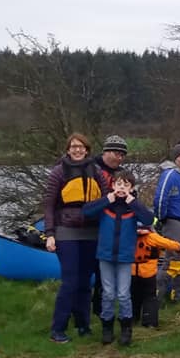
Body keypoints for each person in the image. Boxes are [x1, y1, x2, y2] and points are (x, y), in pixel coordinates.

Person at [43, 132, 109, 343]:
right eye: (73, 147)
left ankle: (83, 324)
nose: (77, 150)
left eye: (81, 147)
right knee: (69, 281)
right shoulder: (58, 172)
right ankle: (58, 329)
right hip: (66, 231)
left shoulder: (96, 171)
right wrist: (50, 234)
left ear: (87, 149)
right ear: (68, 149)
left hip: (91, 233)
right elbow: (49, 206)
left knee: (84, 282)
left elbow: (107, 199)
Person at [82, 169, 153, 346]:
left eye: (126, 185)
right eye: (119, 184)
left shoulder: (133, 206)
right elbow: (87, 211)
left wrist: (133, 201)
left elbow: (148, 219)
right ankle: (107, 327)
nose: (122, 188)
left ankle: (126, 328)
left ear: (131, 188)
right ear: (113, 185)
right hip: (105, 255)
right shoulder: (106, 205)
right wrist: (108, 199)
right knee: (107, 294)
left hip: (125, 257)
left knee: (123, 294)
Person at [153, 141, 180, 304]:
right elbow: (160, 198)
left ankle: (177, 298)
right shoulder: (170, 175)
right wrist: (161, 219)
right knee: (172, 262)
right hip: (174, 223)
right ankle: (156, 298)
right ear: (175, 159)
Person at [91, 134, 128, 314]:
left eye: (122, 155)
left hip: (109, 227)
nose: (119, 157)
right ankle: (93, 310)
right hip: (89, 226)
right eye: (115, 153)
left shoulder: (119, 174)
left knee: (102, 273)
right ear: (105, 151)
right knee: (90, 271)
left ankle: (101, 310)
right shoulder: (92, 168)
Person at [131, 228, 180, 328]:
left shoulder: (128, 234)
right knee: (150, 297)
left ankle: (132, 318)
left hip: (131, 272)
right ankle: (149, 322)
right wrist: (179, 247)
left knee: (133, 296)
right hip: (148, 273)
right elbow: (171, 245)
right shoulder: (152, 237)